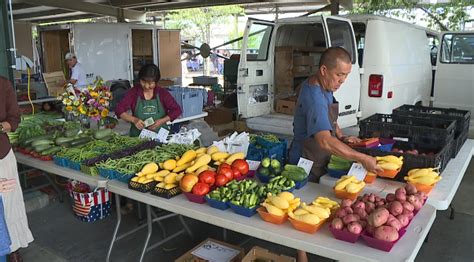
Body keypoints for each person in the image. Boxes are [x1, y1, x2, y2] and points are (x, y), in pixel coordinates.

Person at [289, 47, 383, 181]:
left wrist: (341, 135)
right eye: (339, 74)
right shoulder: (315, 98)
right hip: (307, 162)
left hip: (320, 157)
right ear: (323, 70)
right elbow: (324, 141)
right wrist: (363, 158)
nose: (343, 80)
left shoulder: (324, 85)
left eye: (346, 75)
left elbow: (328, 117)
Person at [0, 76, 34, 262]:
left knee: (9, 203)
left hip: (2, 155)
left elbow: (14, 119)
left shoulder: (3, 84)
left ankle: (12, 247)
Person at [115, 64, 182, 137]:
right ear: (139, 79)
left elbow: (177, 110)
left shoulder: (162, 93)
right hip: (137, 137)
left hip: (160, 135)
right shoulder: (134, 92)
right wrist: (134, 120)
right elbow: (119, 110)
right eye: (143, 82)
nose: (146, 86)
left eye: (150, 83)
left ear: (156, 82)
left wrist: (161, 121)